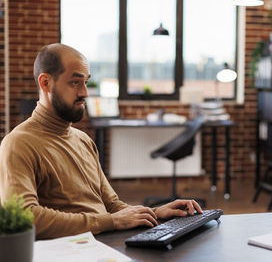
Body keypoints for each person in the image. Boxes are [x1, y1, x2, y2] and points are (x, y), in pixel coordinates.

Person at [0, 43, 202, 239]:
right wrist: (110, 222)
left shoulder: (83, 140)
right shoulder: (19, 143)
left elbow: (111, 205)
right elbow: (27, 218)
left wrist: (154, 213)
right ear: (45, 83)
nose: (84, 93)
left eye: (86, 82)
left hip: (104, 240)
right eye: (75, 82)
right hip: (75, 249)